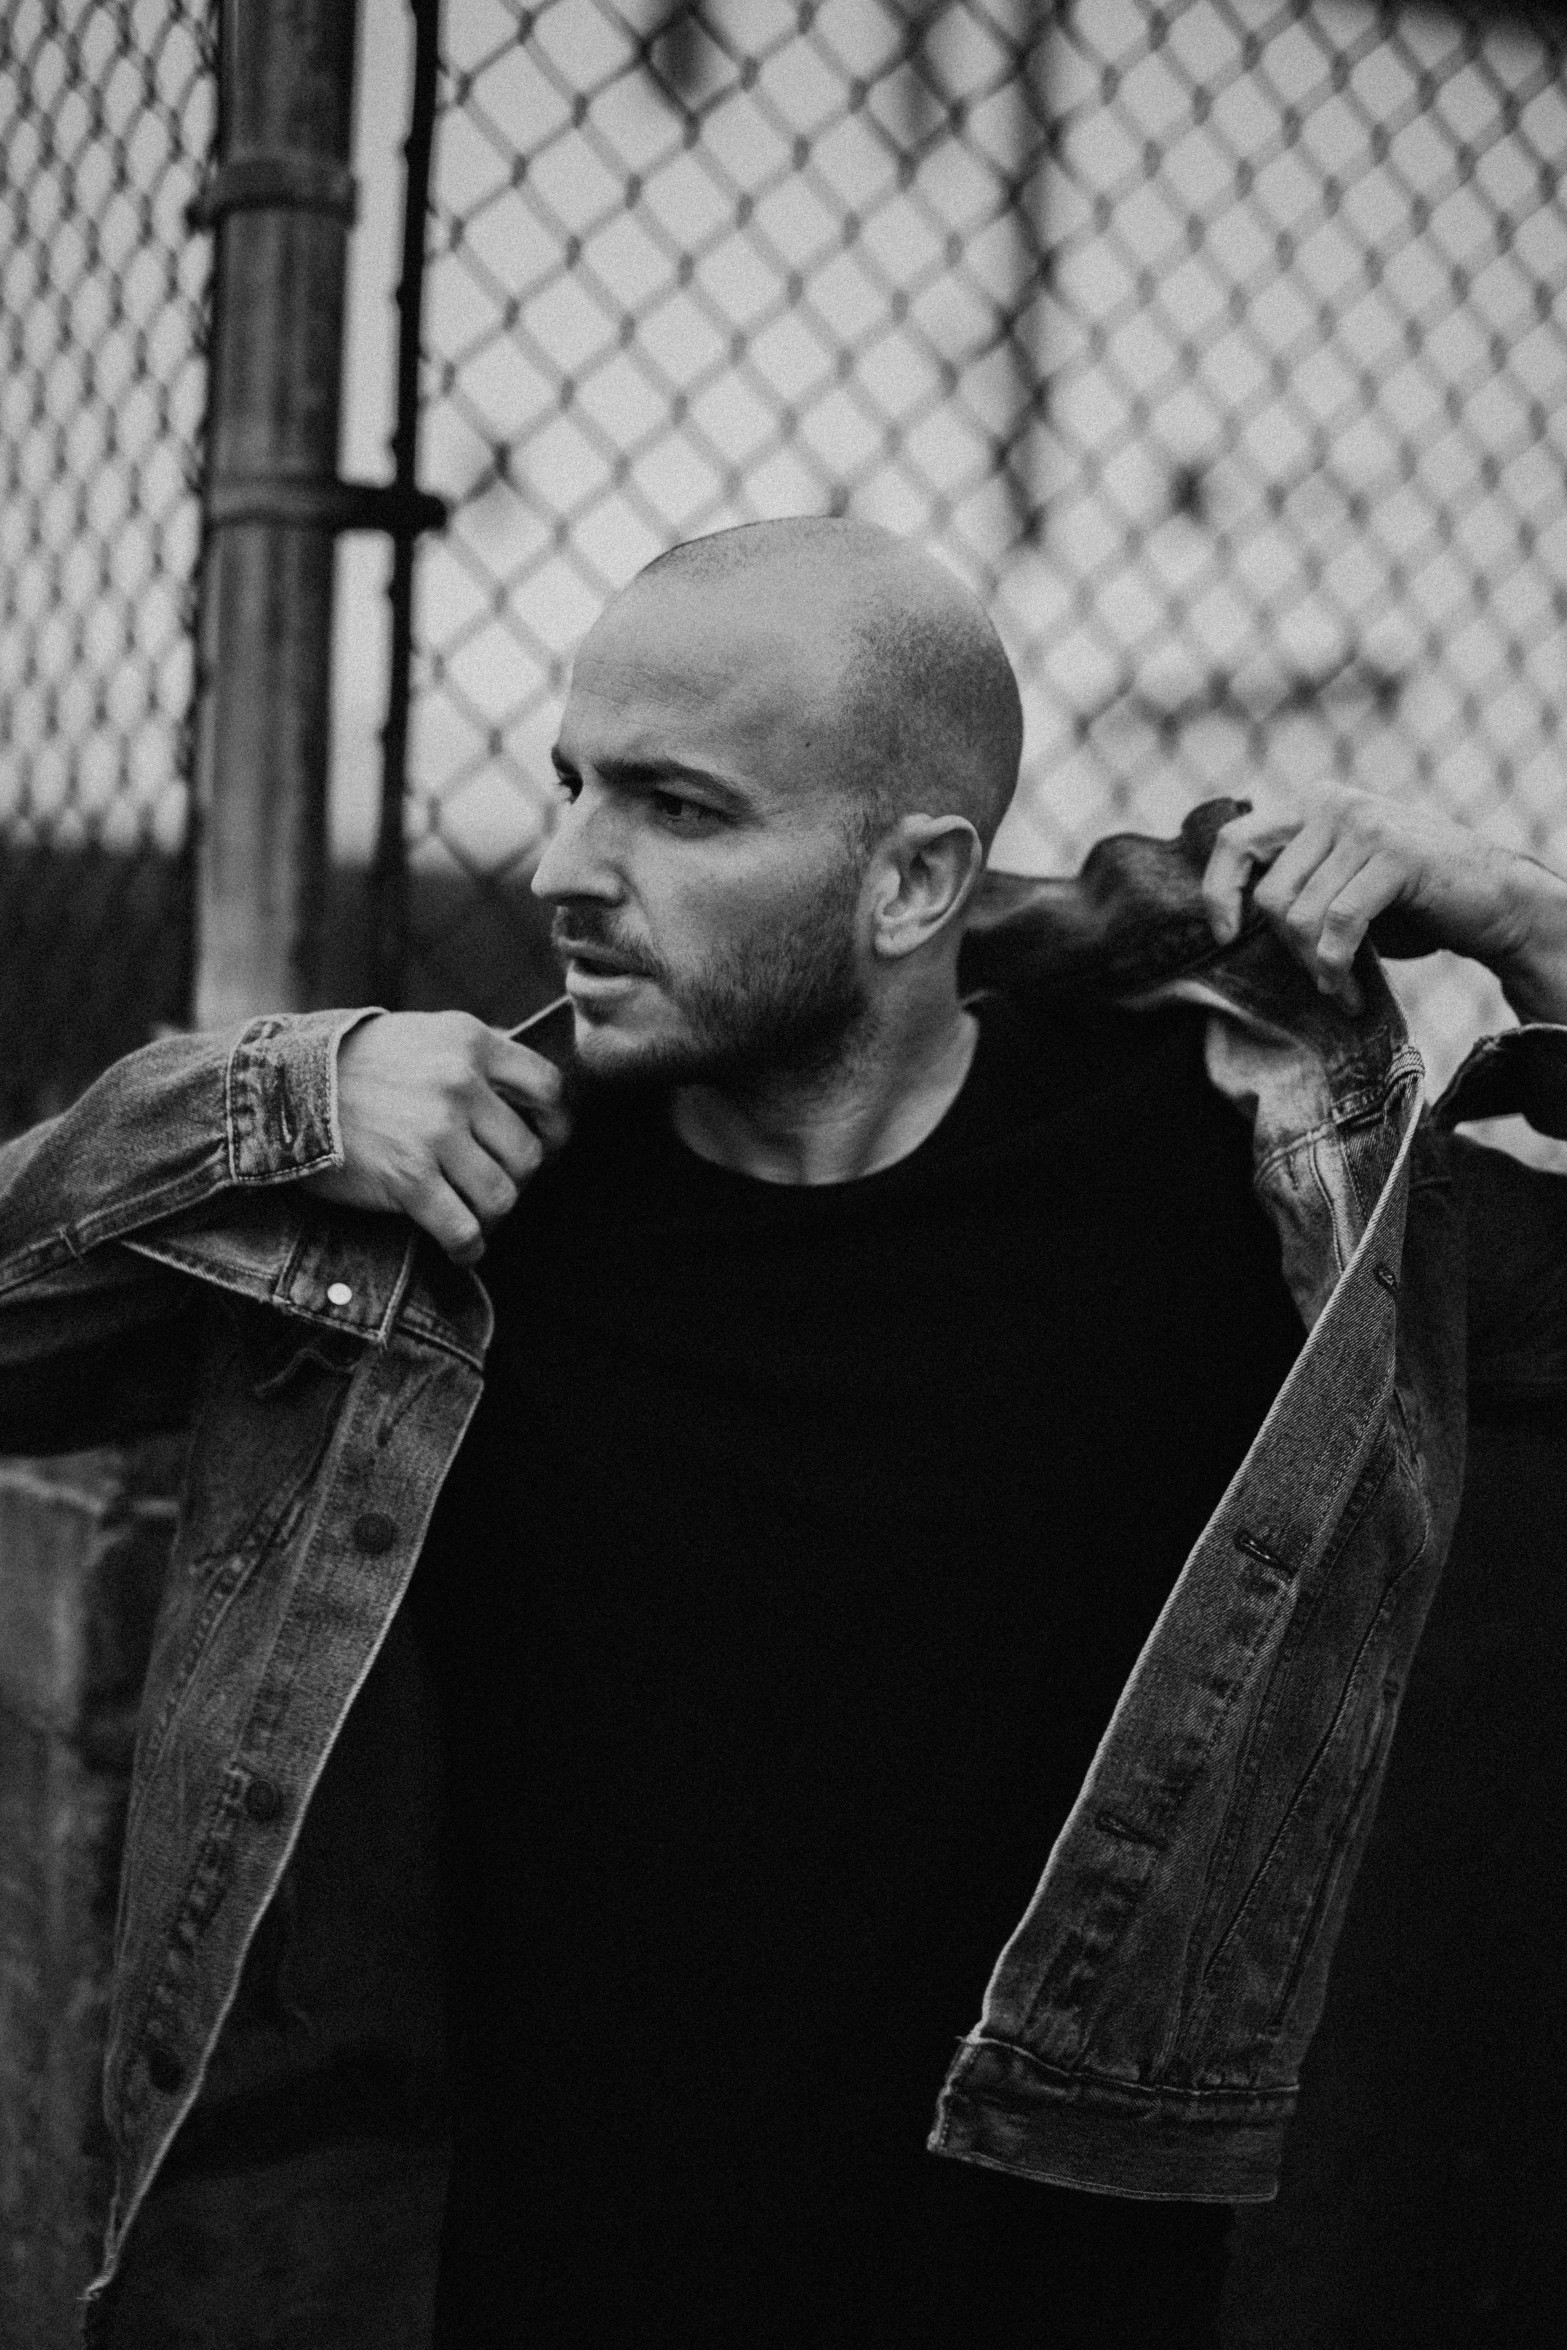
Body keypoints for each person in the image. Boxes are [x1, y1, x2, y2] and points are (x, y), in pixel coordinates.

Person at [3, 517, 1567, 2350]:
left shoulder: (1239, 1192)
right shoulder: (463, 1208)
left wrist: (1517, 913)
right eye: (573, 782)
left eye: (676, 807)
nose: (567, 865)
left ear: (912, 883)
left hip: (1056, 2283)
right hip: (526, 2271)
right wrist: (270, 1099)